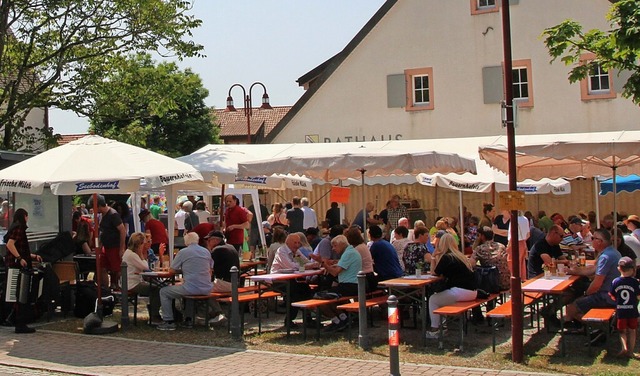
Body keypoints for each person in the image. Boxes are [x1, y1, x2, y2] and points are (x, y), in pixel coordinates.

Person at [563, 228, 621, 330]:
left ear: (600, 241)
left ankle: (604, 327)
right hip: (615, 294)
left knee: (571, 308)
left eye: (593, 238)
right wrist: (572, 271)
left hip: (606, 296)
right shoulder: (612, 252)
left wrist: (586, 294)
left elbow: (597, 284)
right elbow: (592, 270)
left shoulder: (605, 257)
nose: (591, 239)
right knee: (577, 296)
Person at [426, 233, 478, 339]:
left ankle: (436, 329)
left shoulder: (446, 257)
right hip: (472, 292)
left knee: (433, 299)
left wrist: (433, 257)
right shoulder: (460, 256)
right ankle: (442, 326)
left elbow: (434, 273)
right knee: (441, 297)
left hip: (460, 291)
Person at [157, 232, 213, 331]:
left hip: (191, 287)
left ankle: (168, 320)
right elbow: (210, 268)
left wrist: (182, 269)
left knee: (164, 291)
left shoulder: (183, 252)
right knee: (190, 288)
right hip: (206, 287)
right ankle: (188, 319)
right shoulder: (206, 251)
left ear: (186, 241)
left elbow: (172, 270)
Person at [4, 208, 42, 333]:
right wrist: (20, 258)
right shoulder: (19, 228)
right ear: (24, 216)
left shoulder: (14, 227)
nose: (28, 219)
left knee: (18, 294)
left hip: (14, 263)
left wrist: (33, 256)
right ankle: (20, 323)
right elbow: (10, 244)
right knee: (22, 294)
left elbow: (20, 248)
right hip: (18, 266)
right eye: (27, 216)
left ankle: (13, 318)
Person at [318, 235, 362, 332]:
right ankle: (343, 318)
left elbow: (335, 272)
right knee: (331, 296)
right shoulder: (351, 252)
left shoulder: (348, 254)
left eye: (334, 246)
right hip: (353, 285)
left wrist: (323, 264)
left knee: (319, 297)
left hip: (349, 286)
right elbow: (340, 267)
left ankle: (337, 321)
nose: (333, 249)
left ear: (341, 244)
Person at [271, 234, 316, 326]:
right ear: (288, 243)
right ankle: (289, 320)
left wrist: (314, 263)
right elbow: (291, 266)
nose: (297, 245)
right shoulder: (282, 251)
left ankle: (308, 319)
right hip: (278, 280)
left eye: (298, 242)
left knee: (306, 289)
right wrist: (309, 265)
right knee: (295, 293)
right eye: (295, 243)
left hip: (292, 279)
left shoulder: (296, 252)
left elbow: (304, 262)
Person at [122, 232, 161, 325]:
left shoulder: (128, 253)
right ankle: (154, 315)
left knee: (156, 285)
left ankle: (154, 312)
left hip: (131, 281)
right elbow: (145, 266)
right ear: (139, 244)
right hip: (132, 283)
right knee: (156, 289)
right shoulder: (132, 255)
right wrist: (142, 255)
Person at [90, 195, 126, 291]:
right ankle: (106, 290)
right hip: (106, 247)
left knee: (117, 270)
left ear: (98, 206)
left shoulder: (113, 214)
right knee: (102, 268)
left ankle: (121, 288)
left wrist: (121, 248)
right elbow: (103, 232)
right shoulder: (103, 215)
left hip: (115, 246)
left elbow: (122, 230)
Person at [204, 230, 239, 325]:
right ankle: (213, 312)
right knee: (209, 287)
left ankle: (218, 313)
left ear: (215, 240)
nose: (207, 243)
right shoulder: (230, 247)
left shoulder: (217, 250)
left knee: (203, 289)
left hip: (225, 283)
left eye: (209, 240)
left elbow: (209, 268)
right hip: (234, 282)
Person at [609, 256, 640, 358]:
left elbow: (612, 295)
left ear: (619, 268)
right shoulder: (635, 282)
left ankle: (624, 347)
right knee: (632, 330)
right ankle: (631, 351)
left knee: (622, 331)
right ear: (632, 269)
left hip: (621, 310)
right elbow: (638, 296)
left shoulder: (615, 281)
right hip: (632, 311)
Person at [471, 227, 510, 292]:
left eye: (478, 235)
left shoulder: (480, 249)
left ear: (482, 236)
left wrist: (475, 244)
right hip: (505, 283)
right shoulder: (501, 246)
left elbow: (471, 264)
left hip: (491, 285)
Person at [345, 227, 376, 291]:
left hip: (364, 278)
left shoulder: (356, 249)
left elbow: (347, 263)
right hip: (371, 276)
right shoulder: (363, 246)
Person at [507, 211, 530, 282]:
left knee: (512, 263)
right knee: (522, 263)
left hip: (514, 243)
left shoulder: (513, 219)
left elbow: (511, 235)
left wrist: (508, 245)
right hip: (523, 242)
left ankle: (514, 284)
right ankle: (522, 281)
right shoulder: (525, 219)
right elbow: (528, 234)